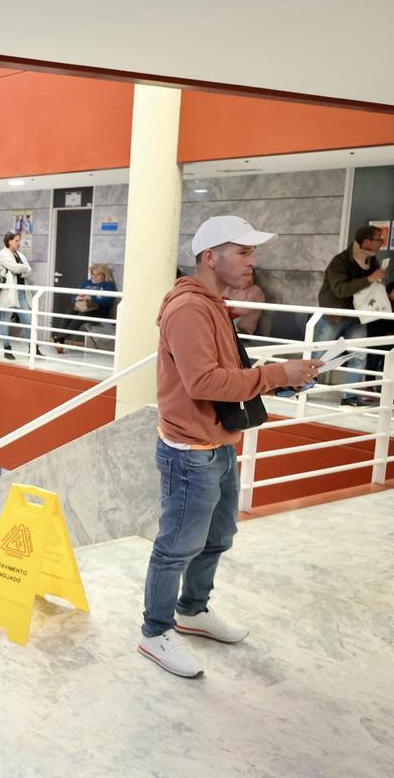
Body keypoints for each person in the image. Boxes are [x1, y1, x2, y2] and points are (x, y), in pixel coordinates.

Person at [138, 215, 321, 679]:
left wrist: (279, 379)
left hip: (218, 445)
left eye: (252, 252)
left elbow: (225, 371)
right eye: (243, 252)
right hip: (190, 453)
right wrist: (278, 374)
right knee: (176, 547)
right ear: (209, 257)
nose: (253, 262)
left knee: (217, 539)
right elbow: (204, 381)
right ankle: (155, 632)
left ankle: (192, 611)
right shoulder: (190, 309)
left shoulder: (215, 305)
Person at [316, 225, 386, 406]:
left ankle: (350, 397)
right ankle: (300, 389)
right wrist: (370, 279)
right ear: (367, 241)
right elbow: (340, 290)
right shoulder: (340, 262)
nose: (382, 243)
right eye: (379, 239)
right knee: (319, 356)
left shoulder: (372, 261)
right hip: (334, 316)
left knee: (359, 356)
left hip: (357, 317)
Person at [51, 264, 117, 350]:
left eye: (97, 275)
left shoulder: (108, 285)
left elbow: (106, 301)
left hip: (98, 311)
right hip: (82, 307)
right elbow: (74, 298)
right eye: (93, 274)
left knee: (80, 317)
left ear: (104, 275)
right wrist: (78, 298)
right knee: (68, 315)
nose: (94, 277)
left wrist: (91, 298)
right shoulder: (85, 283)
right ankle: (60, 341)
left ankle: (60, 339)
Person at [0, 232, 32, 359]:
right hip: (9, 292)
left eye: (19, 240)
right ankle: (7, 349)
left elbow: (28, 270)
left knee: (28, 320)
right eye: (16, 240)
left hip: (21, 291)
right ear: (9, 241)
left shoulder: (20, 255)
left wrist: (20, 269)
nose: (18, 243)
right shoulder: (3, 253)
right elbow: (15, 268)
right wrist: (22, 269)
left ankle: (33, 349)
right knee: (5, 320)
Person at [222, 269, 265, 336]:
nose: (247, 279)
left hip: (242, 330)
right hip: (226, 324)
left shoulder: (256, 291)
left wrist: (228, 307)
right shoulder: (230, 288)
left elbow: (245, 308)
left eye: (250, 275)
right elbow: (219, 299)